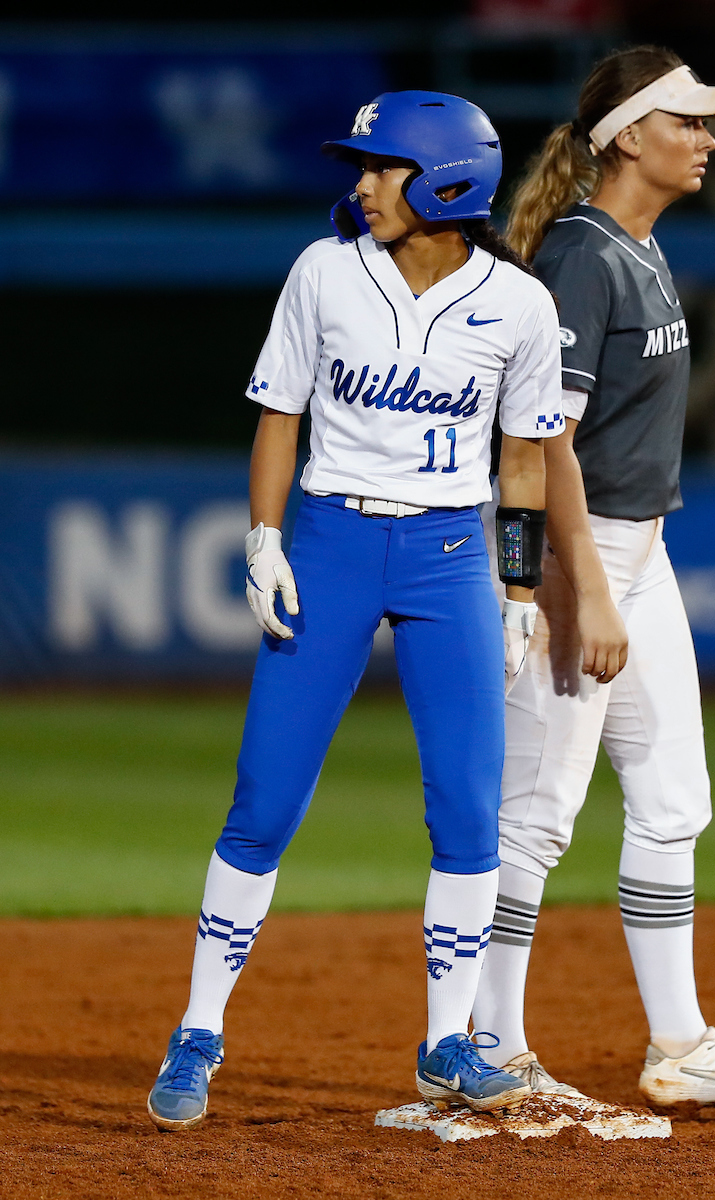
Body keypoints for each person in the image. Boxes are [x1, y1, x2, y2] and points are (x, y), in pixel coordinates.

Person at [146, 90, 626, 1132]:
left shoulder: (520, 306)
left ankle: (448, 1041)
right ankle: (199, 1026)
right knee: (265, 799)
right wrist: (266, 538)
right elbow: (281, 414)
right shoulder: (325, 271)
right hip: (330, 540)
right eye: (361, 165)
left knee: (465, 807)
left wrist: (511, 588)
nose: (361, 183)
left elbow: (524, 458)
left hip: (451, 554)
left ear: (447, 181)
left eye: (383, 165)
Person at [471, 46, 715, 1111]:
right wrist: (583, 591)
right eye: (689, 123)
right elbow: (546, 442)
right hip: (584, 554)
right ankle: (488, 1049)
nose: (707, 140)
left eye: (708, 125)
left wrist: (626, 579)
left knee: (672, 801)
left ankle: (678, 1045)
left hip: (639, 552)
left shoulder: (641, 248)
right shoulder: (582, 256)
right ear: (628, 138)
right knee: (535, 813)